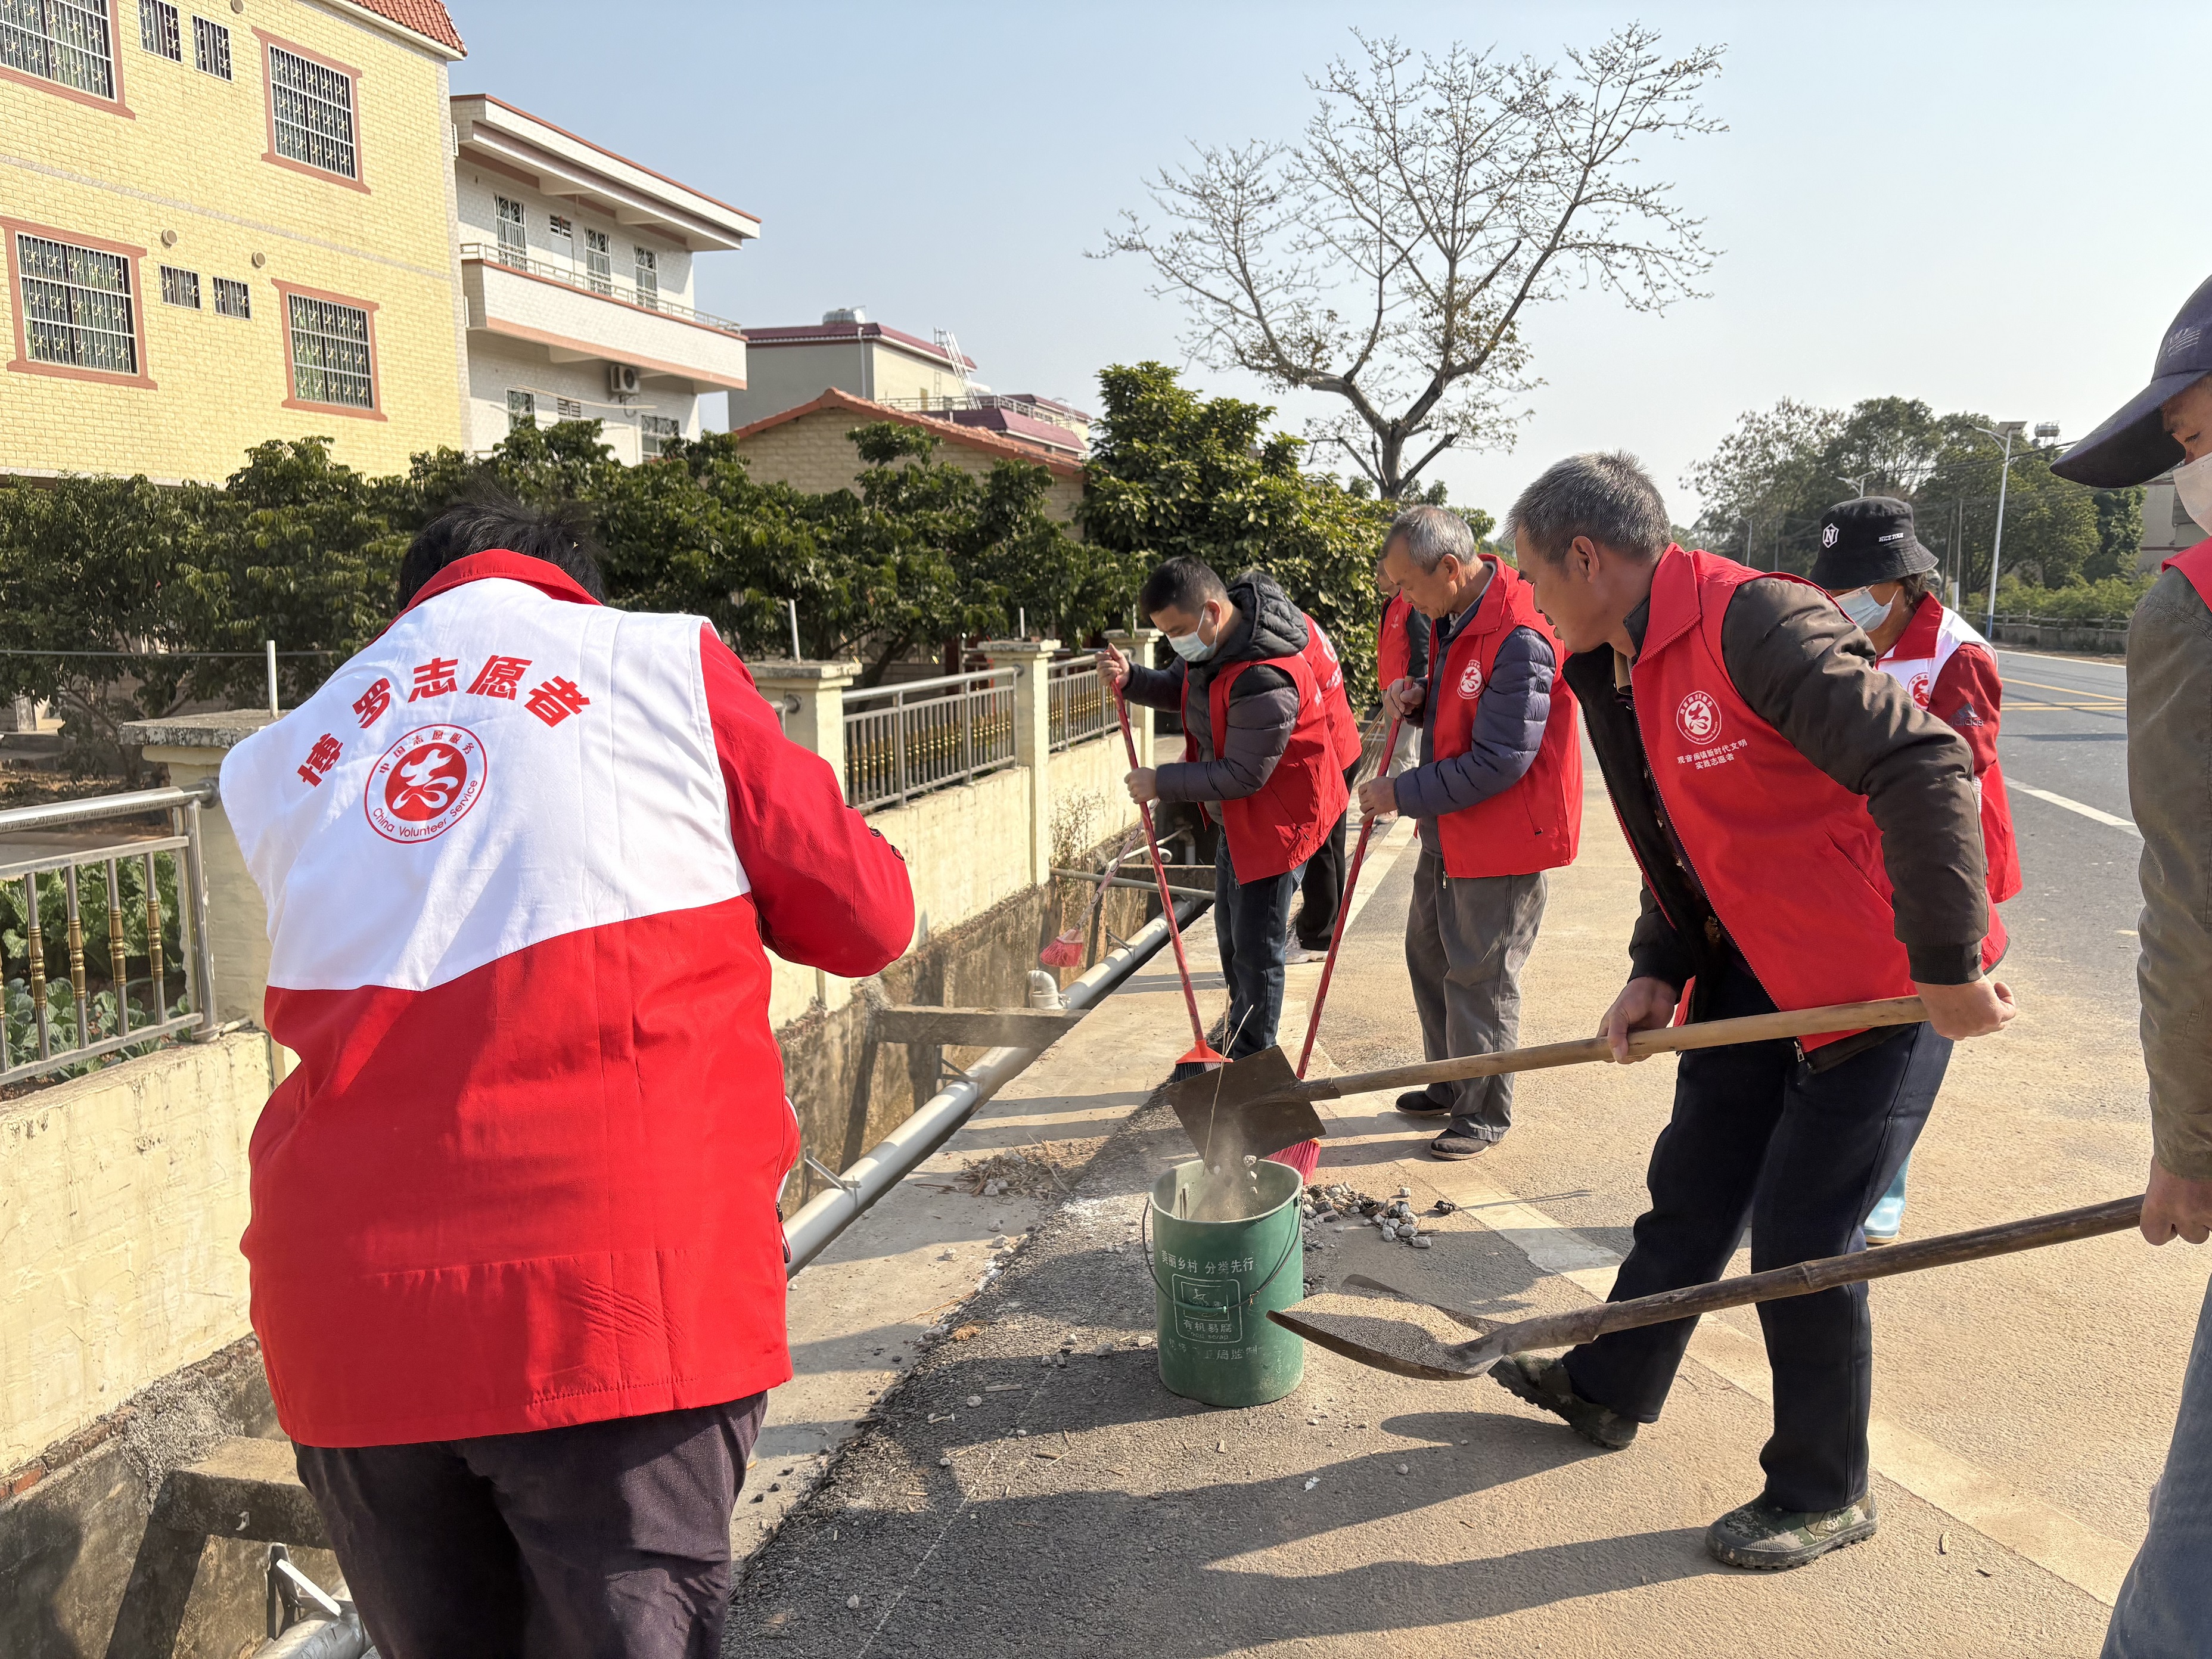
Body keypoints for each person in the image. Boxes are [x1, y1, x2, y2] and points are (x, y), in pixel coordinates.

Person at [216, 492, 915, 1658]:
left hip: (349, 1323)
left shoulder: (283, 756)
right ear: (572, 583)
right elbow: (865, 919)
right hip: (617, 1304)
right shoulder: (661, 663)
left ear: (408, 609)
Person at [1490, 452, 2012, 1571]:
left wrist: (1947, 960)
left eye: (1533, 575)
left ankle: (1823, 1487)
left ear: (1587, 556)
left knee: (1803, 1238)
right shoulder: (1612, 663)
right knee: (1692, 1185)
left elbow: (1925, 763)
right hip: (1754, 957)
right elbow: (1681, 837)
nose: (1529, 601)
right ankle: (1608, 1385)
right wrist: (1654, 966)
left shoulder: (1755, 619)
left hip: (1880, 974)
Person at [2047, 272, 2212, 1659]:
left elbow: (2195, 907)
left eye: (2207, 438)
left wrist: (2191, 1141)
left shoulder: (2193, 610)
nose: (2192, 479)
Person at [1810, 496, 2022, 1243]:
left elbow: (1959, 775)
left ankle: (1884, 1178)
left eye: (1857, 590)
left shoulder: (1954, 654)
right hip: (1864, 859)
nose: (1842, 604)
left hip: (1935, 862)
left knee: (1913, 1014)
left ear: (1899, 585)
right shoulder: (1839, 641)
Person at [1352, 505, 1583, 1160]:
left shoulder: (1521, 635)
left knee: (1481, 975)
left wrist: (1398, 792)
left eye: (1408, 586)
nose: (1403, 600)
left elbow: (1502, 759)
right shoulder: (1451, 617)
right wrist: (1420, 694)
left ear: (1450, 568)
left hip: (1504, 834)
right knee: (1428, 953)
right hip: (1450, 828)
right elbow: (1464, 704)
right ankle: (1449, 1080)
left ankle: (1482, 1111)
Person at [1100, 559, 1347, 1079]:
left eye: (1178, 632)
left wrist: (1161, 781)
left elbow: (1241, 774)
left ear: (1212, 612)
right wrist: (1131, 680)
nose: (1176, 645)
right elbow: (1179, 685)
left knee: (1258, 945)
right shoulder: (1215, 645)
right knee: (1232, 933)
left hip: (1279, 821)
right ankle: (1242, 1031)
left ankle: (1255, 1059)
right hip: (1239, 818)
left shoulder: (1264, 676)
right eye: (1166, 635)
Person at [1288, 609, 1366, 963]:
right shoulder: (1300, 622)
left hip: (1328, 752)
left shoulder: (1287, 642)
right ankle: (1329, 927)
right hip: (1343, 743)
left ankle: (1317, 936)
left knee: (1318, 846)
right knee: (1331, 843)